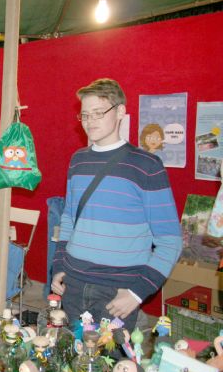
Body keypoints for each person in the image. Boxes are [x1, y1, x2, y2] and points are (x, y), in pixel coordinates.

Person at [51, 78, 182, 331]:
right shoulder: (78, 160)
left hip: (117, 292)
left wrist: (136, 293)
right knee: (71, 361)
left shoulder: (147, 165)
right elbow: (68, 218)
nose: (90, 121)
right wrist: (58, 267)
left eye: (99, 113)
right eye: (85, 115)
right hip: (74, 282)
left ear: (120, 111)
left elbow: (170, 240)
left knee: (114, 365)